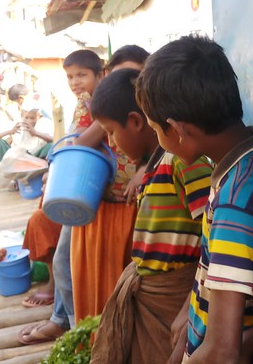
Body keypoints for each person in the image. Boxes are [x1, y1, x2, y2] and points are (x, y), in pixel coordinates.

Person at [133, 35, 253, 364]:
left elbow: (222, 351)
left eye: (154, 129)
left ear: (176, 129)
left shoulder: (237, 205)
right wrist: (188, 311)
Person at [18, 49, 143, 345]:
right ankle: (72, 327)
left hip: (118, 201)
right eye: (70, 77)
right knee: (66, 262)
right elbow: (77, 144)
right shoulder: (91, 105)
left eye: (81, 75)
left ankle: (75, 326)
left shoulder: (145, 110)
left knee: (97, 272)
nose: (75, 82)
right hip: (89, 196)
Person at [89, 69, 213, 364]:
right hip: (152, 294)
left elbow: (214, 235)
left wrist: (189, 305)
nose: (109, 140)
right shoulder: (154, 167)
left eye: (110, 130)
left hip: (175, 298)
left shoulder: (183, 163)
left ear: (134, 121)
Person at [0, 106, 53, 174]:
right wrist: (9, 132)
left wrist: (35, 133)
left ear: (39, 116)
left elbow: (56, 140)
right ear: (22, 117)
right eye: (26, 118)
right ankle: (0, 172)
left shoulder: (45, 123)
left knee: (51, 146)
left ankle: (45, 171)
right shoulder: (18, 124)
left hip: (36, 158)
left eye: (32, 118)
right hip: (17, 158)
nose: (29, 121)